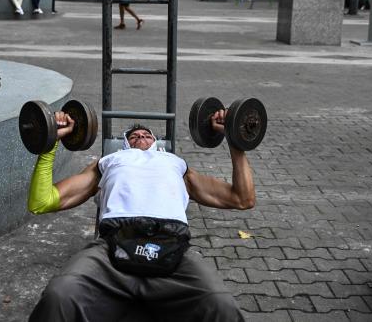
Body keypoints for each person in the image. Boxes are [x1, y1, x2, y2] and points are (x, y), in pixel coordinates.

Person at [27, 110, 254, 321]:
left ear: (157, 144)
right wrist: (50, 142)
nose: (141, 137)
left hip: (172, 246)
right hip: (112, 247)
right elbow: (42, 201)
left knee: (221, 304)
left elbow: (243, 198)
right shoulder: (109, 162)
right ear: (125, 145)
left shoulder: (176, 165)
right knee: (59, 295)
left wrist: (235, 140)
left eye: (147, 135)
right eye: (134, 136)